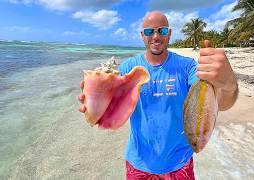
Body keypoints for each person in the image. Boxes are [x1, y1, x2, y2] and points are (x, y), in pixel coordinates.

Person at [78, 11, 238, 180]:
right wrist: (95, 105)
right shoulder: (128, 68)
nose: (155, 36)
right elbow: (112, 102)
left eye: (161, 31)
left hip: (180, 163)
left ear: (169, 33)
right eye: (149, 31)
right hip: (139, 163)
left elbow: (220, 102)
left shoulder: (188, 67)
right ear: (142, 35)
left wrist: (228, 82)